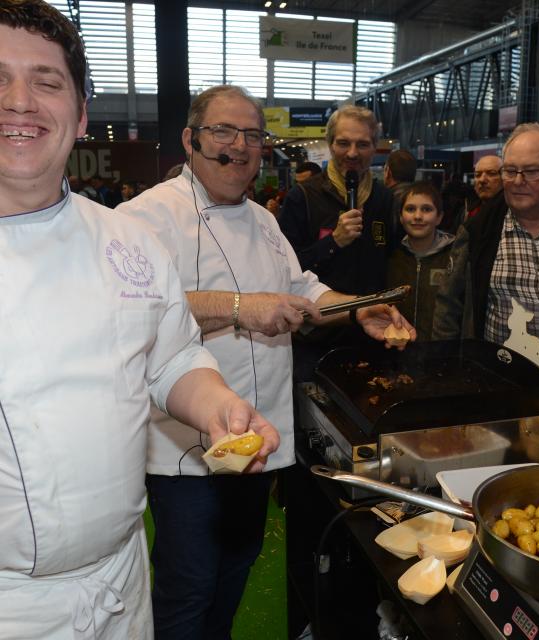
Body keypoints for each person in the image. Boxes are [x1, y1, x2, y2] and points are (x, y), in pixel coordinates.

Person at [0, 3, 279, 640]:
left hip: (120, 584)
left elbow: (174, 357)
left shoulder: (126, 242)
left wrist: (216, 407)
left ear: (80, 116)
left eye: (46, 82)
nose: (20, 102)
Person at [117, 85, 415, 640]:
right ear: (191, 139)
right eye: (223, 132)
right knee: (188, 586)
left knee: (235, 570)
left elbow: (303, 287)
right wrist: (238, 308)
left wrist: (357, 311)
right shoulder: (145, 217)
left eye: (252, 136)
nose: (239, 146)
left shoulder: (263, 219)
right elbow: (135, 311)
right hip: (185, 449)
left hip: (259, 439)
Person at [432, 122, 539, 376]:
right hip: (498, 387)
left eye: (532, 171)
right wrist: (445, 371)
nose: (517, 181)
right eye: (510, 170)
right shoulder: (479, 231)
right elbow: (449, 307)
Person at [279, 104, 395, 294]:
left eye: (363, 144)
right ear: (330, 144)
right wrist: (334, 241)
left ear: (375, 148)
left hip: (372, 315)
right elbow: (284, 267)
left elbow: (391, 261)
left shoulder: (384, 198)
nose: (352, 153)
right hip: (319, 318)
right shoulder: (303, 196)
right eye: (343, 143)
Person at [387, 181, 455, 340]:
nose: (418, 216)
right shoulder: (391, 256)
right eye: (410, 209)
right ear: (401, 217)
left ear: (439, 217)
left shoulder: (455, 257)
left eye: (426, 209)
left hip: (441, 351)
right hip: (396, 347)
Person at [466, 154, 503, 218]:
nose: (482, 180)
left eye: (491, 173)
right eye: (477, 175)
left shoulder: (513, 213)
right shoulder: (467, 211)